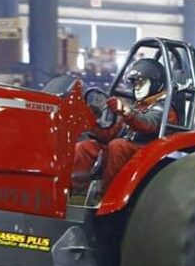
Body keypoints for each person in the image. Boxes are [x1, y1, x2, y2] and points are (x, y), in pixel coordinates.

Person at [73, 58, 176, 189]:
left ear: (155, 84)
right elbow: (110, 134)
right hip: (127, 149)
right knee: (84, 147)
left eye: (141, 83)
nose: (136, 88)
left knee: (118, 146)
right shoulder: (137, 106)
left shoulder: (164, 107)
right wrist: (91, 123)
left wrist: (124, 110)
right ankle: (76, 192)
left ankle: (106, 195)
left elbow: (148, 124)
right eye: (134, 83)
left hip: (148, 150)